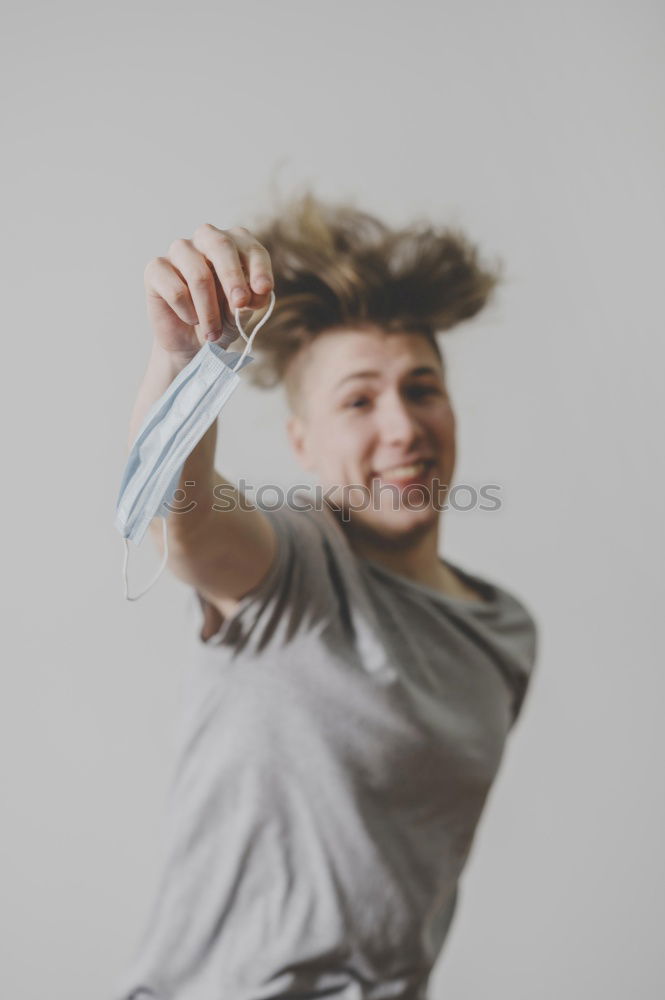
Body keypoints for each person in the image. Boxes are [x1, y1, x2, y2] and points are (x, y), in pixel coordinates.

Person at [112, 191, 538, 1000]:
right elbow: (187, 519)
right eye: (357, 400)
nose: (403, 427)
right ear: (300, 442)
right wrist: (184, 364)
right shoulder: (292, 565)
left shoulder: (506, 631)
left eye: (421, 388)